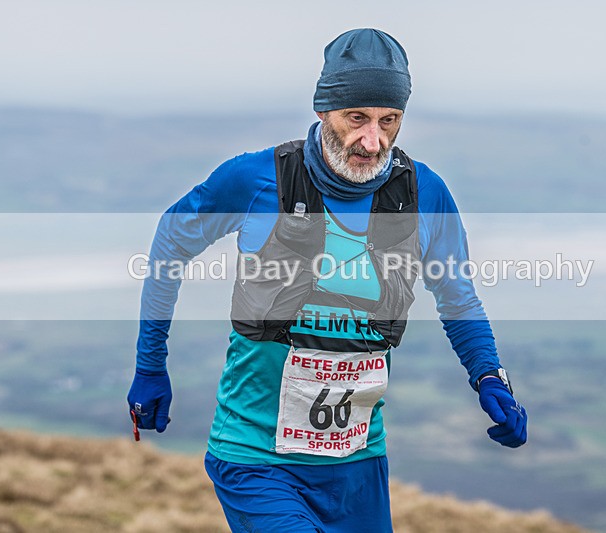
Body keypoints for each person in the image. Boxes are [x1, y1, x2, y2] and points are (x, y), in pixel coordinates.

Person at [128, 28, 527, 532]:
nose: (372, 140)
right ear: (323, 110)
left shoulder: (424, 192)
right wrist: (150, 365)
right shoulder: (256, 179)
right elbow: (170, 242)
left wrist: (489, 376)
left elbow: (457, 294)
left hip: (358, 464)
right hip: (256, 459)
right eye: (356, 117)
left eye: (389, 121)